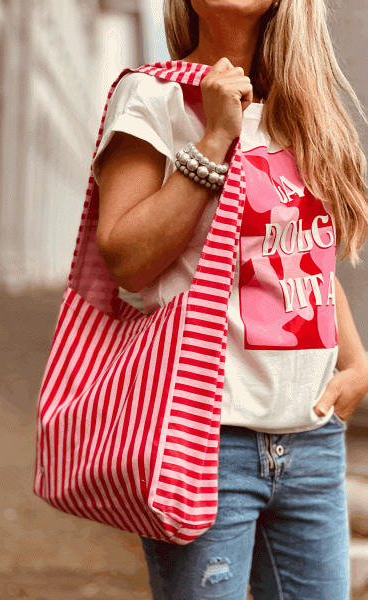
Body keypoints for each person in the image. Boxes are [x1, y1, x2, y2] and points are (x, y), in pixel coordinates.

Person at [92, 0, 368, 598]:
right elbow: (127, 261)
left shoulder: (307, 112)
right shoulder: (153, 96)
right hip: (205, 440)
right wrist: (217, 136)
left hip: (313, 441)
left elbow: (302, 257)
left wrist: (356, 362)